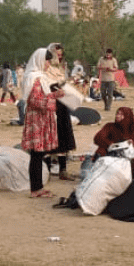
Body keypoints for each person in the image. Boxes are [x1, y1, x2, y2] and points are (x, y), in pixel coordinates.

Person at [21, 48, 65, 198]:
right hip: (37, 120)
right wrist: (54, 97)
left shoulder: (38, 77)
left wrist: (53, 95)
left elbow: (41, 97)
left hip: (40, 118)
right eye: (46, 61)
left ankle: (38, 187)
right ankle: (35, 189)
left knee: (38, 155)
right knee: (36, 154)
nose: (48, 64)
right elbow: (34, 100)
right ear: (40, 60)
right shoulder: (35, 78)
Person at [46, 43, 76, 181]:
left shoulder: (62, 68)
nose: (59, 56)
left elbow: (64, 83)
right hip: (50, 103)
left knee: (63, 134)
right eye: (56, 53)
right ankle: (45, 170)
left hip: (62, 103)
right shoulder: (44, 68)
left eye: (60, 54)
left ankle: (63, 170)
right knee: (50, 135)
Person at [92, 107, 134, 177]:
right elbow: (98, 137)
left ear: (127, 117)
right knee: (101, 151)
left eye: (121, 114)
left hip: (122, 160)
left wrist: (131, 144)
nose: (118, 116)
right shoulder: (110, 126)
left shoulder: (129, 132)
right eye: (117, 113)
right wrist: (111, 144)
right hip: (108, 155)